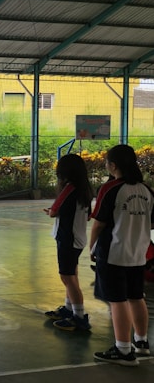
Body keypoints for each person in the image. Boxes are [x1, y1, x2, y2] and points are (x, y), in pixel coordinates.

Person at [90, 144, 154, 366]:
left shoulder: (110, 189)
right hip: (138, 252)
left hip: (114, 252)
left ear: (113, 165)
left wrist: (92, 247)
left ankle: (123, 350)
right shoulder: (146, 190)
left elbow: (98, 223)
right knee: (136, 297)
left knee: (117, 301)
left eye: (107, 162)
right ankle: (142, 342)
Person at [43, 154, 94, 331]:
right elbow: (88, 216)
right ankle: (69, 308)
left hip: (67, 239)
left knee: (67, 277)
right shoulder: (85, 190)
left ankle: (78, 317)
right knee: (72, 275)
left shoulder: (69, 189)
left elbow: (54, 211)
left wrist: (51, 211)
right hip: (78, 239)